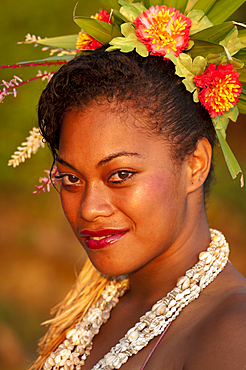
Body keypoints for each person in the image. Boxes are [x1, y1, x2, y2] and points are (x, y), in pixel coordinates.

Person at [28, 46, 246, 370]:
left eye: (120, 175)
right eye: (71, 178)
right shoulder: (100, 309)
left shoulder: (232, 332)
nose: (89, 209)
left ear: (195, 164)